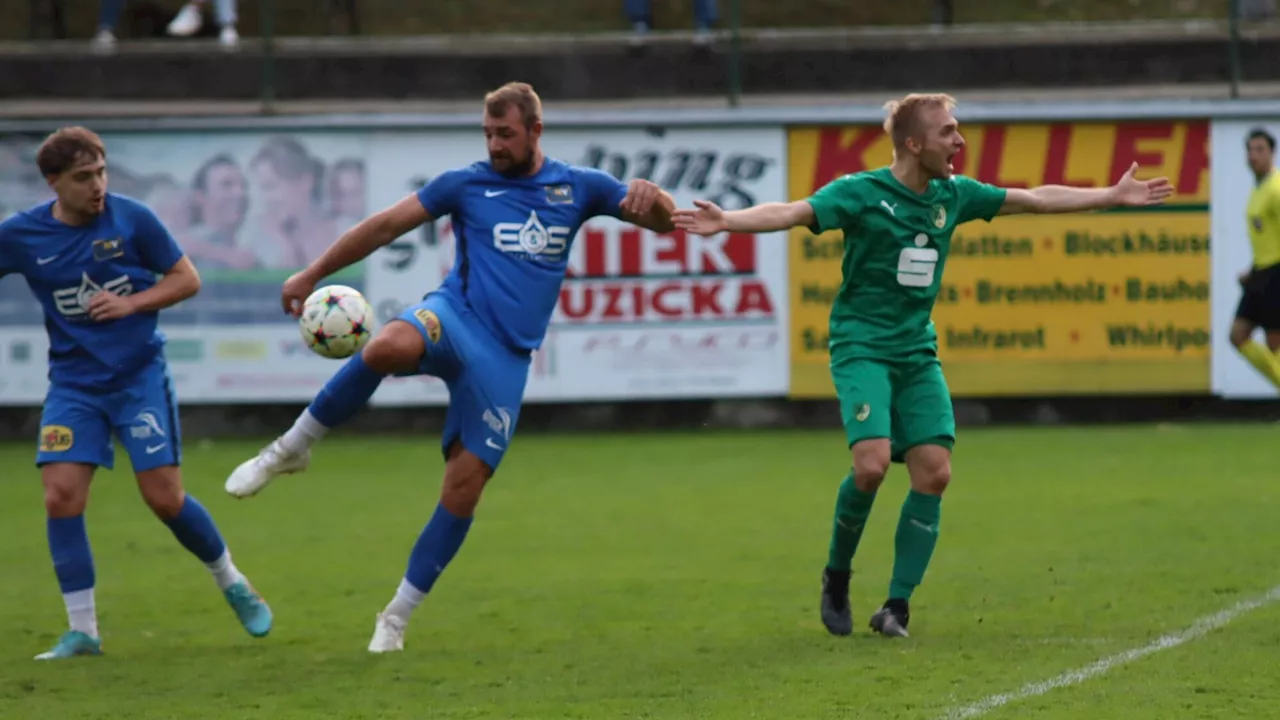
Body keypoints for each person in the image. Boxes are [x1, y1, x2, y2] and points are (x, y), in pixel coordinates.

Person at [673, 93, 1173, 638]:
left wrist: (1112, 195)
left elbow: (1033, 200)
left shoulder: (953, 195)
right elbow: (793, 212)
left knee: (934, 472)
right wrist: (728, 221)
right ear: (914, 143)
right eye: (948, 132)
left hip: (915, 351)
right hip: (862, 346)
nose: (959, 141)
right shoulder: (862, 193)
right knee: (871, 467)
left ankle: (896, 606)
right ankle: (836, 576)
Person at [223, 82, 676, 653]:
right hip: (454, 316)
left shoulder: (575, 187)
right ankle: (290, 448)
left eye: (505, 134)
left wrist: (650, 196)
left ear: (535, 131)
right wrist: (312, 275)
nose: (494, 145)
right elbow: (386, 225)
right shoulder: (465, 183)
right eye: (488, 134)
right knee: (385, 345)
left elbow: (663, 222)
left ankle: (395, 617)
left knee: (463, 489)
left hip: (506, 357)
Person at [0, 127, 273, 660]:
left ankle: (233, 581)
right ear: (53, 182)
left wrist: (134, 303)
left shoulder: (132, 219)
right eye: (83, 178)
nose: (97, 185)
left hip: (138, 378)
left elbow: (186, 278)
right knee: (61, 496)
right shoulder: (22, 235)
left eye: (101, 172)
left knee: (164, 499)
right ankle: (83, 631)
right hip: (74, 385)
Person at [1229, 127, 1280, 391]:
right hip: (1261, 272)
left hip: (1276, 273)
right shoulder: (1258, 189)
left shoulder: (1276, 188)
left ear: (1272, 153)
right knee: (1237, 335)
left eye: (1260, 149)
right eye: (1250, 150)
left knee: (1274, 344)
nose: (1253, 155)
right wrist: (1252, 272)